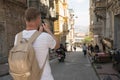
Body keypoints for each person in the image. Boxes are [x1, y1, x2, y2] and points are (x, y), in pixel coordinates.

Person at [14, 7, 60, 80]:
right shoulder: (45, 37)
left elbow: (32, 40)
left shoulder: (17, 37)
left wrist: (38, 33)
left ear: (25, 19)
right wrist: (48, 30)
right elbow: (57, 45)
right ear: (39, 19)